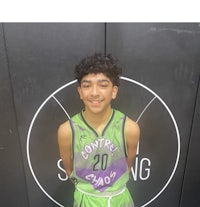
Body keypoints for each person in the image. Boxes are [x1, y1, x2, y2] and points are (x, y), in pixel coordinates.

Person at [58, 53, 140, 207]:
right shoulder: (67, 131)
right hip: (85, 200)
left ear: (114, 91)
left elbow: (128, 165)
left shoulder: (130, 128)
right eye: (87, 85)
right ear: (80, 92)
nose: (94, 93)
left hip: (120, 200)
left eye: (103, 85)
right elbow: (69, 171)